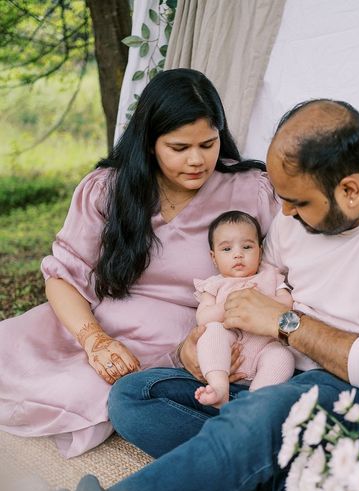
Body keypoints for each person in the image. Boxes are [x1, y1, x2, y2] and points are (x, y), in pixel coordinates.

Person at [5, 99, 359, 491]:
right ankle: (284, 479)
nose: (282, 215)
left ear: (349, 191)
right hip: (265, 375)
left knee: (265, 412)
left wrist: (285, 324)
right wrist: (199, 344)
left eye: (297, 203)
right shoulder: (295, 218)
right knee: (134, 396)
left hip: (344, 387)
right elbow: (263, 282)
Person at [0, 69, 279, 458]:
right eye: (179, 148)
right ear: (149, 143)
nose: (197, 160)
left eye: (208, 144)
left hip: (178, 342)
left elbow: (282, 272)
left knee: (77, 394)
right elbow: (63, 277)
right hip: (91, 325)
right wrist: (94, 340)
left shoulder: (250, 190)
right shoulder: (108, 187)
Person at [194, 210, 294, 407]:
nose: (238, 254)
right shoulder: (215, 284)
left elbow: (287, 303)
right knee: (212, 331)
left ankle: (256, 400)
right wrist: (228, 305)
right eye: (227, 249)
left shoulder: (270, 276)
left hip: (265, 346)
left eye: (247, 247)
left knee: (283, 356)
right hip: (229, 346)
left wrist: (263, 300)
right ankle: (219, 388)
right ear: (213, 258)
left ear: (260, 250)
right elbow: (203, 317)